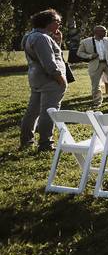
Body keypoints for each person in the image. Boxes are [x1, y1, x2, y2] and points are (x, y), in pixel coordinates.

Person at [20, 9, 69, 151]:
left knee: (32, 111)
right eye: (58, 22)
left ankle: (26, 140)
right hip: (50, 80)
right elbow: (49, 62)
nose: (59, 25)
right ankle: (45, 143)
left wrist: (57, 42)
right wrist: (60, 79)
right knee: (49, 111)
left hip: (37, 78)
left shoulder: (30, 36)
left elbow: (49, 54)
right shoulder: (42, 38)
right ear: (48, 22)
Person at [76, 25, 108, 107]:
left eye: (105, 31)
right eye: (102, 31)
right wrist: (89, 56)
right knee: (95, 84)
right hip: (95, 64)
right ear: (96, 32)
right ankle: (97, 102)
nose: (105, 32)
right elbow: (79, 53)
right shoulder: (85, 41)